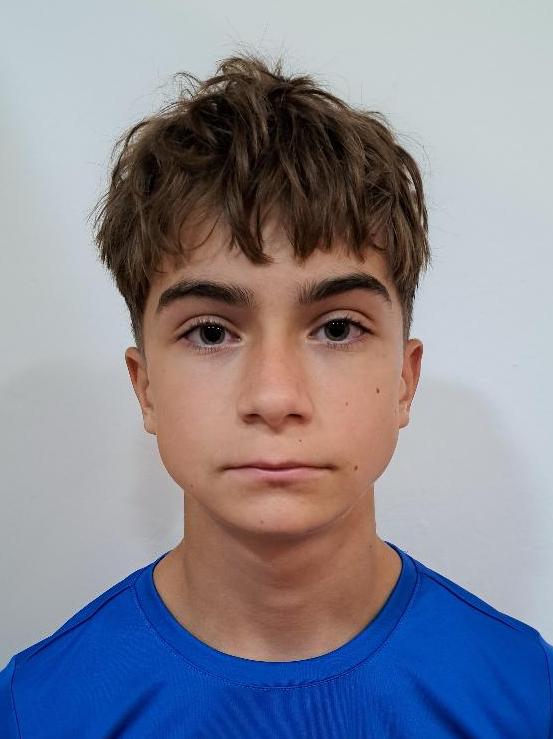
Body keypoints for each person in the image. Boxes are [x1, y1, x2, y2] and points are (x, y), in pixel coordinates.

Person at [1, 52, 551, 738]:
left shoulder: (528, 696)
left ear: (404, 381)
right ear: (145, 389)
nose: (273, 395)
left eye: (337, 328)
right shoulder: (39, 709)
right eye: (210, 332)